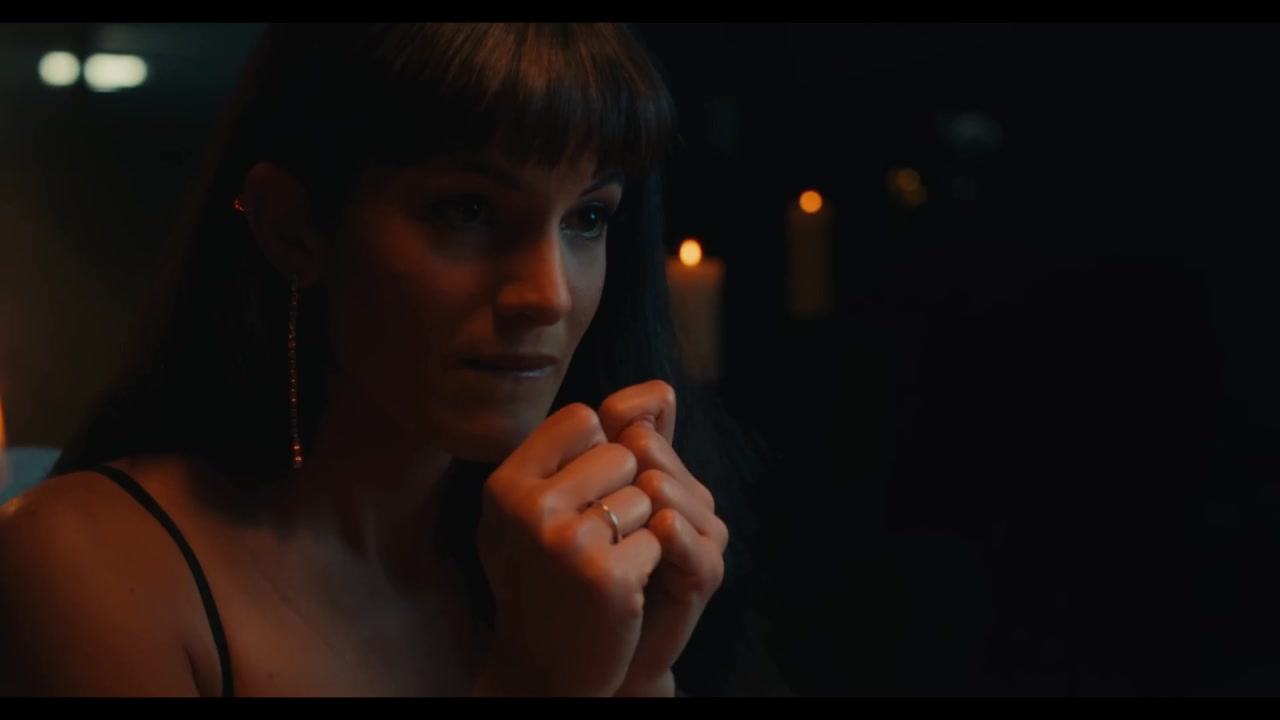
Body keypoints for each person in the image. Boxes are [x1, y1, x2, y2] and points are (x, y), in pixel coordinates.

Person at [0, 23, 787, 697]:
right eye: (469, 210)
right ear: (292, 228)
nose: (547, 295)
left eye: (587, 218)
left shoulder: (566, 568)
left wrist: (641, 673)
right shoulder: (83, 563)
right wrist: (538, 681)